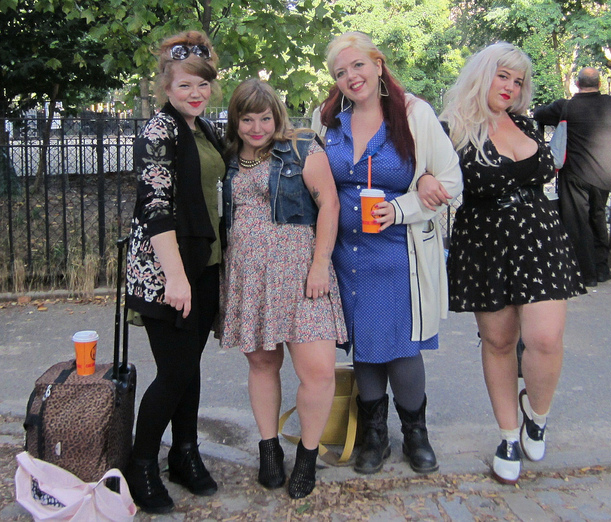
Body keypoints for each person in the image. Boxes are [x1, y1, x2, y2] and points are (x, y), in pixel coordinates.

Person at [312, 32, 463, 476]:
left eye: (358, 65)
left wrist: (403, 205)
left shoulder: (414, 114)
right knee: (364, 345)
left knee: (401, 347)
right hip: (346, 256)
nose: (351, 77)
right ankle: (374, 434)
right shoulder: (328, 120)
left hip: (400, 255)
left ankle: (416, 433)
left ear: (378, 65)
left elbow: (451, 181)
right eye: (340, 72)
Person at [439, 42, 586, 485]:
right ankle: (507, 435)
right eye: (502, 76)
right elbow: (435, 177)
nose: (510, 87)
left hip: (540, 237)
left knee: (546, 338)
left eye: (518, 81)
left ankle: (535, 415)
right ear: (482, 74)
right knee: (499, 342)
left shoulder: (525, 122)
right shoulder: (451, 128)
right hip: (485, 242)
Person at [221, 79, 346, 499]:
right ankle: (269, 448)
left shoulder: (301, 148)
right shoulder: (229, 159)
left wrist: (320, 264)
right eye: (247, 119)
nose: (257, 128)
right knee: (262, 364)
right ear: (236, 121)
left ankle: (307, 456)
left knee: (318, 371)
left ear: (277, 116)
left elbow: (329, 204)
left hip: (302, 273)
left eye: (265, 118)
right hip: (250, 278)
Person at [125, 31, 224, 514]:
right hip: (167, 271)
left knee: (190, 367)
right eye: (185, 85)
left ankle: (185, 453)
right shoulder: (158, 132)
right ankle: (141, 464)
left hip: (204, 264)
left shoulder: (203, 130)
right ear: (166, 87)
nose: (195, 93)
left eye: (203, 84)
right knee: (175, 371)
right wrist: (176, 278)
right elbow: (156, 208)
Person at [534, 67, 611, 286]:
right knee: (598, 218)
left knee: (577, 223)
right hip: (604, 174)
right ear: (599, 84)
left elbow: (538, 114)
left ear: (577, 84)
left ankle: (584, 274)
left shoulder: (566, 106)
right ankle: (602, 269)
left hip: (575, 173)